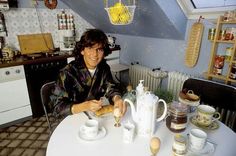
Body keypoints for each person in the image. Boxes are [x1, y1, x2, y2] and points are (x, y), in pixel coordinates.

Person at [51, 29, 126, 118]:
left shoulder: (104, 68)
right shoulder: (67, 72)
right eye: (90, 48)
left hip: (94, 115)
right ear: (82, 50)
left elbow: (110, 88)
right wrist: (85, 106)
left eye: (99, 49)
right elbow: (56, 108)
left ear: (104, 52)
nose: (95, 54)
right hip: (73, 117)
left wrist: (117, 99)